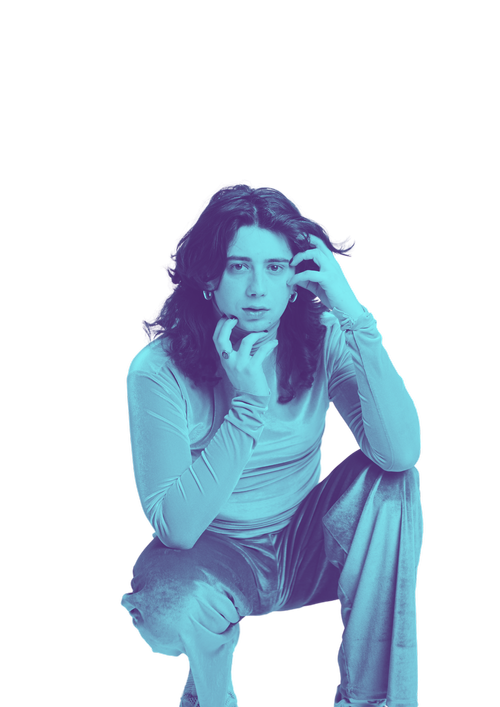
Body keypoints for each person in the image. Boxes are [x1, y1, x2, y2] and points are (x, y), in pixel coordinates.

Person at [120, 179, 424, 707]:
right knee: (168, 611)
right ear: (210, 277)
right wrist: (248, 405)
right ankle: (212, 697)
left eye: (276, 267)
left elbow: (400, 451)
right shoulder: (156, 369)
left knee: (395, 481)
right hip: (213, 556)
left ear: (296, 278)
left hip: (307, 548)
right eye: (239, 266)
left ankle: (371, 701)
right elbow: (176, 528)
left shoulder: (323, 336)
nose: (259, 288)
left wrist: (355, 316)